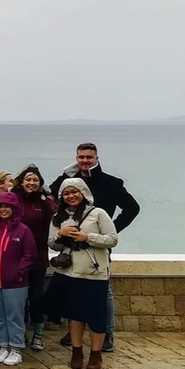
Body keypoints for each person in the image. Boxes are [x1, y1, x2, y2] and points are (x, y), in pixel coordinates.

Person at [49, 143, 139, 353]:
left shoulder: (111, 183)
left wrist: (111, 230)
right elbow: (50, 194)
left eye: (89, 157)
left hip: (98, 246)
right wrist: (66, 173)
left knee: (103, 291)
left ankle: (106, 332)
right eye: (81, 157)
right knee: (75, 289)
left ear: (97, 158)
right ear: (76, 158)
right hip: (72, 246)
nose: (85, 161)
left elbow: (133, 208)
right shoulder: (68, 180)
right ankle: (75, 332)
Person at [44, 178, 119, 369]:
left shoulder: (98, 213)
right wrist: (60, 234)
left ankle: (96, 354)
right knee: (74, 315)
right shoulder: (58, 217)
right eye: (66, 193)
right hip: (69, 273)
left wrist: (88, 238)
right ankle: (76, 351)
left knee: (96, 316)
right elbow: (52, 244)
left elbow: (112, 239)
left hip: (95, 275)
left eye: (74, 192)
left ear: (83, 193)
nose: (71, 196)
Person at [0, 192, 38, 366]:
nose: (3, 210)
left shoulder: (23, 231)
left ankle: (16, 348)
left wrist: (18, 272)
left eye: (7, 207)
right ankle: (3, 345)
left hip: (16, 284)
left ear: (14, 208)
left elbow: (29, 255)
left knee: (14, 316)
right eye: (0, 207)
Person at [13, 165, 57, 351]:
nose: (31, 183)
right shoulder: (14, 198)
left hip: (38, 257)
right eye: (28, 180)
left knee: (36, 296)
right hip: (15, 257)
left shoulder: (44, 202)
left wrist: (45, 198)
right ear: (21, 182)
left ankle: (38, 334)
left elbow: (56, 214)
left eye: (35, 180)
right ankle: (20, 332)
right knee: (19, 297)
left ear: (40, 184)